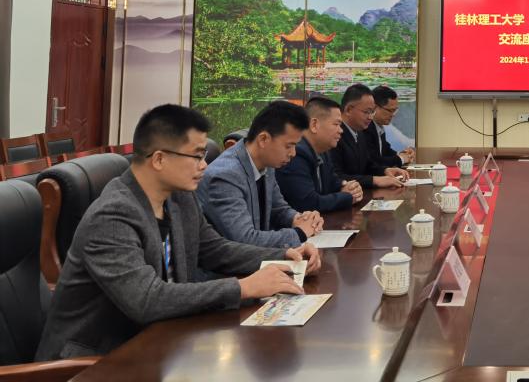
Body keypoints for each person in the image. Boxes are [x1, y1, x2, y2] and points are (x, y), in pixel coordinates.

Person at [36, 105, 320, 361]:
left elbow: (214, 249)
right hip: (94, 362)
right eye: (196, 156)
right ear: (159, 159)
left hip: (161, 340)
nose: (204, 165)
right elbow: (147, 299)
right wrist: (243, 287)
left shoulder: (179, 197)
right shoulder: (112, 216)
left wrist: (284, 255)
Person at [197, 100, 323, 247]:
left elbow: (278, 209)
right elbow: (245, 239)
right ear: (263, 139)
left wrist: (300, 218)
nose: (293, 153)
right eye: (289, 146)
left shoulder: (266, 164)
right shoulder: (225, 176)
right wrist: (300, 233)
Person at [278, 96, 364, 212]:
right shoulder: (296, 153)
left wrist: (347, 186)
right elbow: (309, 203)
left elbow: (332, 181)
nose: (341, 130)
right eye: (336, 124)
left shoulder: (323, 151)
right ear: (314, 125)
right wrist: (348, 196)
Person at [331, 83, 409, 189]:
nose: (370, 117)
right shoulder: (334, 135)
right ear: (348, 109)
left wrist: (385, 171)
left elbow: (367, 165)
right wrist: (374, 180)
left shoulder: (359, 133)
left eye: (372, 112)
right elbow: (336, 177)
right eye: (367, 112)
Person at [367, 84, 415, 169]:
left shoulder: (379, 126)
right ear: (375, 107)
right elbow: (374, 161)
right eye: (390, 110)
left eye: (395, 110)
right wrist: (401, 159)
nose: (393, 115)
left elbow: (385, 150)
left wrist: (402, 153)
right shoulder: (365, 128)